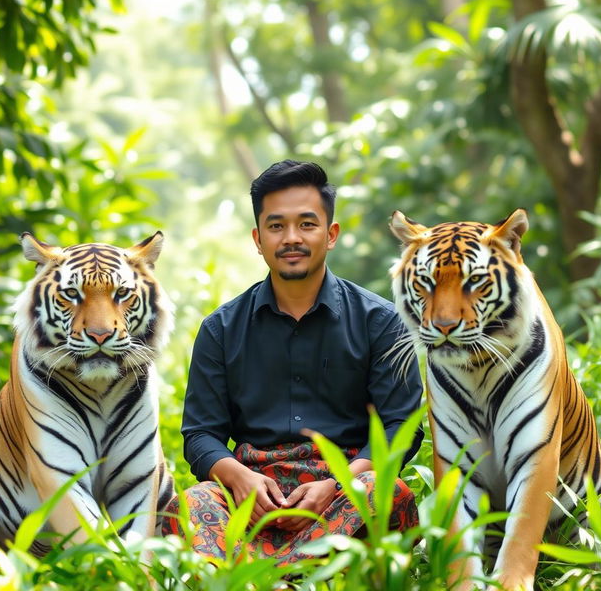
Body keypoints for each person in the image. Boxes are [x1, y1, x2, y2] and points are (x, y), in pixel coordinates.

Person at [163, 160, 423, 563]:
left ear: (331, 234)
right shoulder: (221, 329)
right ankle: (294, 577)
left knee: (389, 495)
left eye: (306, 224)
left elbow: (400, 428)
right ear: (258, 237)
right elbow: (200, 435)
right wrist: (240, 478)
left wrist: (336, 484)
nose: (291, 238)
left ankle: (263, 578)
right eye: (276, 226)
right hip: (251, 498)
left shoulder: (381, 322)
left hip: (344, 493)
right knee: (191, 504)